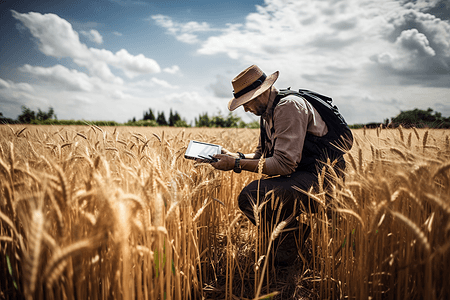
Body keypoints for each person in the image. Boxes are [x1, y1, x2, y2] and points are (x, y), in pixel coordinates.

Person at [210, 65, 346, 265]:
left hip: (323, 179)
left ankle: (290, 244)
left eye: (246, 103)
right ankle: (290, 241)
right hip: (304, 176)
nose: (246, 109)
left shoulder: (288, 107)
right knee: (261, 194)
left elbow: (283, 165)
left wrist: (236, 164)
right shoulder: (267, 112)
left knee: (253, 195)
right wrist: (234, 156)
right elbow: (261, 155)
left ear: (261, 93)